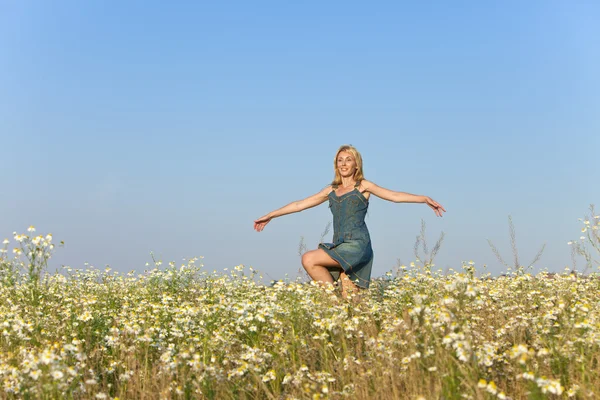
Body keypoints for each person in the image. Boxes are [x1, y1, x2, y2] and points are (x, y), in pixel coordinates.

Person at [254, 144, 446, 299]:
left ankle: (334, 303)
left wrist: (423, 198)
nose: (344, 164)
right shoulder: (331, 190)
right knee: (350, 300)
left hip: (357, 245)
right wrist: (271, 215)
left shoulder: (363, 186)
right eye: (340, 160)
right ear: (336, 165)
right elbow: (299, 205)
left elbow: (394, 196)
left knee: (309, 258)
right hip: (339, 245)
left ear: (356, 165)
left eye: (348, 160)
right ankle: (336, 305)